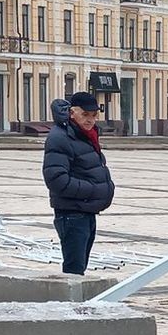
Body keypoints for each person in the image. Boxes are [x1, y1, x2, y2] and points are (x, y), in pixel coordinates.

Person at [42, 92, 114, 275]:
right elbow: (56, 179)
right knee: (73, 271)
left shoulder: (84, 134)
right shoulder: (61, 136)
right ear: (72, 113)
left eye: (94, 115)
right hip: (72, 214)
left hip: (86, 211)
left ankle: (78, 302)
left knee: (79, 268)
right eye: (85, 114)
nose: (90, 120)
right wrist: (93, 191)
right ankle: (71, 304)